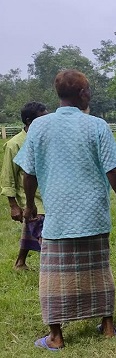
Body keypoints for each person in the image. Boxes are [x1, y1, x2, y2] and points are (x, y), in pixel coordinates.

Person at [14, 69, 116, 350]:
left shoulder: (40, 126)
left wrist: (30, 204)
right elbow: (113, 170)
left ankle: (56, 337)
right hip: (93, 213)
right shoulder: (96, 126)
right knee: (98, 269)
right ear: (82, 94)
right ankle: (106, 327)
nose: (90, 94)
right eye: (89, 90)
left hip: (57, 215)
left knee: (54, 276)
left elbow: (28, 173)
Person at [1, 102, 47, 270]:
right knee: (44, 234)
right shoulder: (15, 144)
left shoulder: (45, 140)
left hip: (48, 195)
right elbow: (8, 176)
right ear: (29, 121)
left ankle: (20, 262)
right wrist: (13, 205)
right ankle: (52, 269)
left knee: (31, 226)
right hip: (32, 199)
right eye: (42, 118)